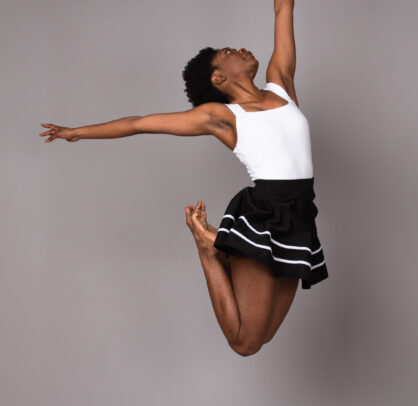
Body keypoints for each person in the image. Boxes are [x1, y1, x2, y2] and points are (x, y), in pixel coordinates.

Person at [39, 0, 328, 357]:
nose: (240, 49)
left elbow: (284, 9)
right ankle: (208, 249)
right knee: (245, 342)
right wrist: (77, 132)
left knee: (263, 335)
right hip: (265, 217)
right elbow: (139, 123)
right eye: (228, 52)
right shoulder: (220, 116)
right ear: (218, 78)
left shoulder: (281, 85)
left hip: (300, 216)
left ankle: (217, 248)